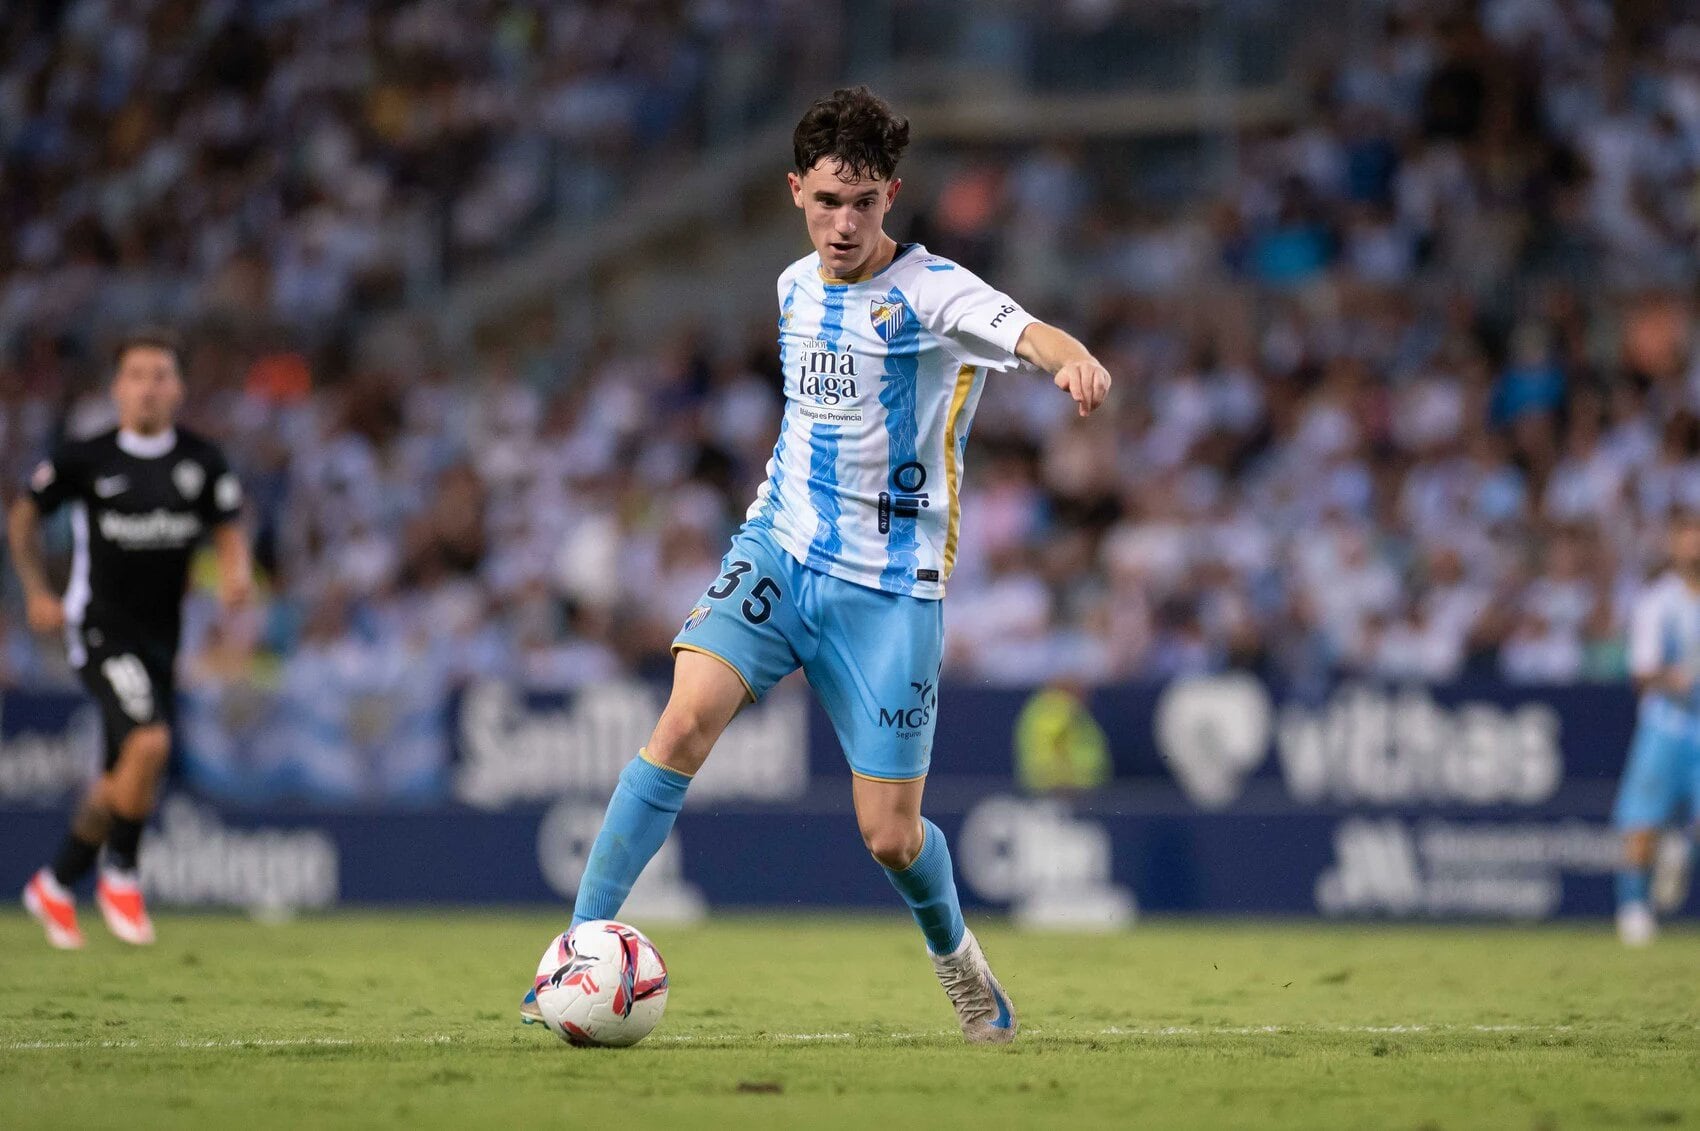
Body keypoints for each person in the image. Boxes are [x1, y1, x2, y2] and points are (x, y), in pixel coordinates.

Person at [521, 87, 1112, 1042]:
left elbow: (1026, 330)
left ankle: (958, 959)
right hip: (781, 551)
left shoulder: (932, 292)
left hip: (889, 591)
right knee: (679, 723)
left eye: (866, 202)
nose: (845, 223)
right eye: (829, 200)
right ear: (797, 190)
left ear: (893, 197)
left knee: (889, 833)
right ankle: (577, 947)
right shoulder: (793, 287)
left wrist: (1070, 357)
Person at [10, 329, 251, 948]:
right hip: (99, 627)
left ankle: (56, 883)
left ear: (179, 387)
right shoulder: (85, 459)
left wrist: (236, 575)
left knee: (124, 774)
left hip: (161, 641)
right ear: (117, 388)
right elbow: (23, 515)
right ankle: (120, 873)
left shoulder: (201, 460)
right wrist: (38, 591)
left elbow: (227, 526)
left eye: (160, 374)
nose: (148, 386)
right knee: (149, 743)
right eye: (137, 374)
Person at [1612, 510, 1700, 947]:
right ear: (1675, 545)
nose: (1695, 546)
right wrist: (1672, 678)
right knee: (1641, 821)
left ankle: (1680, 850)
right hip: (1666, 725)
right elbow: (1641, 673)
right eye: (1688, 537)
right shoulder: (1657, 602)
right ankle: (1632, 908)